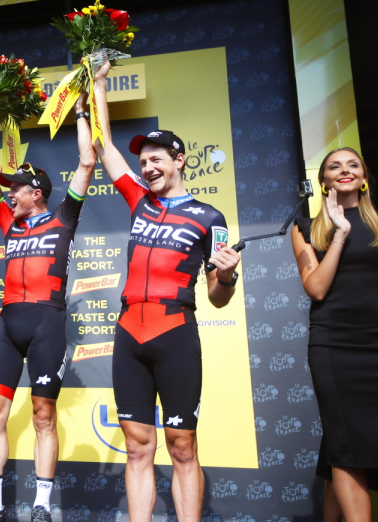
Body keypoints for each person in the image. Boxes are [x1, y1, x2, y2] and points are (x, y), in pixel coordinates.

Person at [86, 62, 240, 522]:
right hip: (129, 332)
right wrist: (98, 84)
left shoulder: (210, 218)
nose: (147, 166)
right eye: (143, 161)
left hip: (174, 331)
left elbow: (218, 296)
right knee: (137, 446)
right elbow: (102, 145)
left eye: (156, 159)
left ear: (179, 161)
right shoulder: (138, 199)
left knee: (181, 445)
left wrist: (227, 275)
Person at [0, 121, 96, 522]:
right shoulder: (8, 222)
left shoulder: (64, 219)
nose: (9, 193)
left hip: (47, 323)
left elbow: (87, 162)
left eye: (16, 187)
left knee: (42, 415)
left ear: (36, 193)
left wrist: (84, 113)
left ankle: (41, 505)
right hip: (9, 323)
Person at [291, 147, 378, 522]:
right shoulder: (305, 227)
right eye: (334, 166)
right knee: (346, 448)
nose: (344, 170)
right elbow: (317, 289)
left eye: (352, 164)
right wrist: (339, 234)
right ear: (323, 181)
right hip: (333, 346)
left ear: (364, 176)